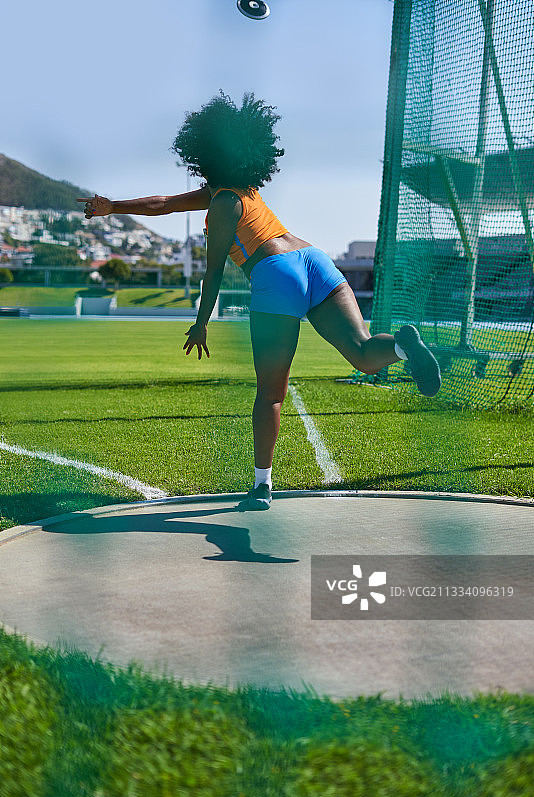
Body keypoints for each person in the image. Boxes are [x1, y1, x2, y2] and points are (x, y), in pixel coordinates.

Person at [78, 91, 441, 511]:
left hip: (275, 274)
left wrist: (201, 321)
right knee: (362, 353)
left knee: (270, 392)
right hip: (315, 260)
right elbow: (165, 203)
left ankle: (262, 486)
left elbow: (214, 271)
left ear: (203, 151)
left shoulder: (223, 204)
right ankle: (401, 346)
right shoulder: (238, 190)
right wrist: (112, 207)